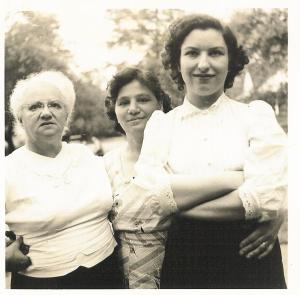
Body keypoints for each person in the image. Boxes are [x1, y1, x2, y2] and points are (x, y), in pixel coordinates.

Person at [144, 14, 287, 288]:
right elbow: (151, 197)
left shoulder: (255, 116)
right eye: (192, 53)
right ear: (177, 62)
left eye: (216, 53)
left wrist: (176, 203)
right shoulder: (161, 126)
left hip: (251, 254)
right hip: (186, 259)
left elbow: (266, 195)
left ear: (231, 62)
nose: (204, 64)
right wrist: (236, 179)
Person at [104, 67, 245, 288]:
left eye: (142, 99)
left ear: (160, 105)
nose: (133, 109)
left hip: (185, 269)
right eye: (123, 102)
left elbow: (238, 199)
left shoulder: (185, 156)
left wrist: (273, 218)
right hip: (122, 276)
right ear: (115, 110)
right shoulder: (105, 164)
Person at [5, 71, 123, 289]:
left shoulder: (87, 156)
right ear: (19, 118)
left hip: (108, 274)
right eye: (35, 107)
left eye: (55, 105)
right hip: (44, 284)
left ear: (66, 115)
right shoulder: (7, 170)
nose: (46, 113)